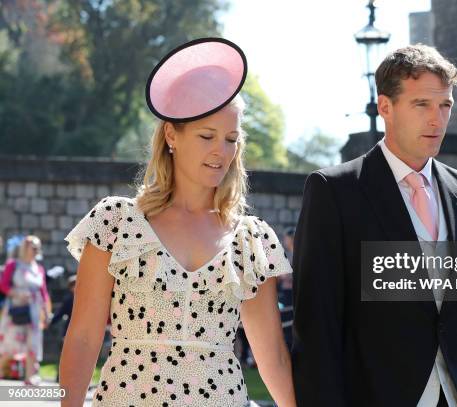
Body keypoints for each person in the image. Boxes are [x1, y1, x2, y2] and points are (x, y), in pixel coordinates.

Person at [59, 38, 296, 407]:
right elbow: (83, 338)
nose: (221, 150)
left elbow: (273, 358)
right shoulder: (115, 222)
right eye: (207, 136)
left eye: (231, 138)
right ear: (171, 135)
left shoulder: (252, 241)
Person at [292, 44, 457, 406]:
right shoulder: (334, 192)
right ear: (385, 107)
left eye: (445, 106)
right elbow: (318, 330)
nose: (437, 119)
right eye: (422, 105)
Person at [0, 235, 51, 385]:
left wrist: (47, 313)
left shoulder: (39, 269)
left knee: (33, 343)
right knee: (10, 345)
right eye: (32, 246)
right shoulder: (13, 265)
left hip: (34, 311)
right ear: (25, 247)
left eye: (37, 247)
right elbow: (3, 285)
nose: (35, 250)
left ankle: (29, 376)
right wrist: (16, 293)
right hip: (16, 308)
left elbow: (44, 292)